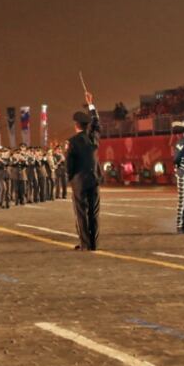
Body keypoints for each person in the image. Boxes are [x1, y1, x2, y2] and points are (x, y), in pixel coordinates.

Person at [66, 91, 101, 251]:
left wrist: (70, 178)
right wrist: (91, 105)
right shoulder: (93, 137)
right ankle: (94, 243)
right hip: (94, 178)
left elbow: (69, 164)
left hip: (79, 181)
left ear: (76, 125)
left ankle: (86, 244)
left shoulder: (72, 142)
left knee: (81, 213)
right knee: (93, 213)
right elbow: (96, 122)